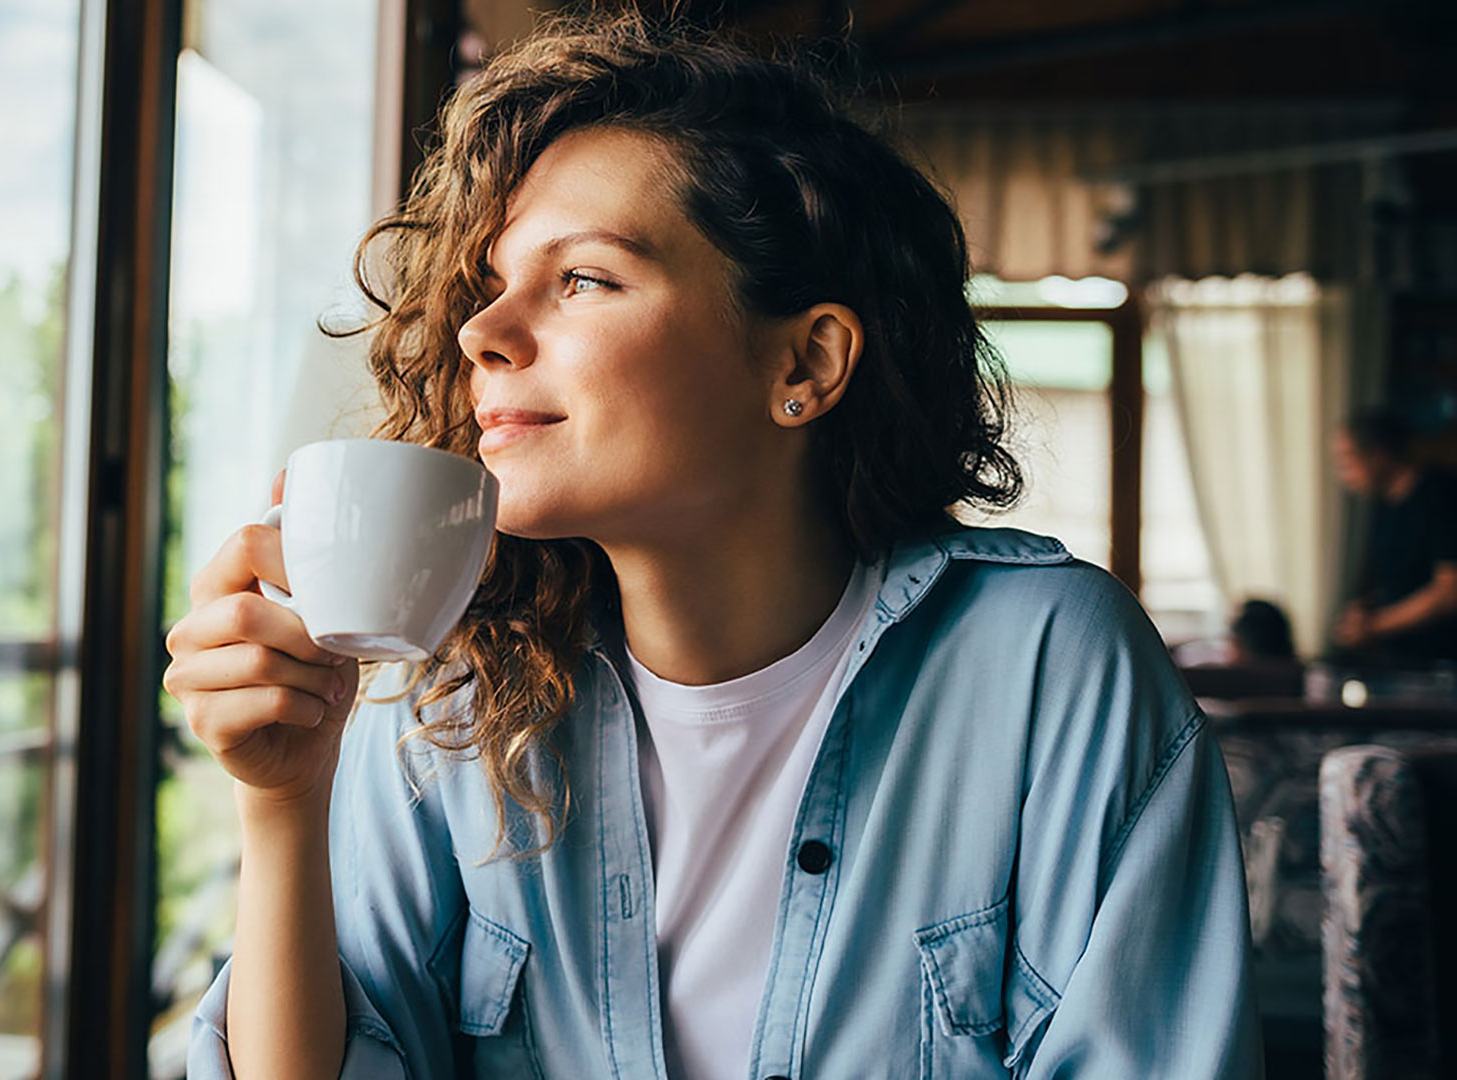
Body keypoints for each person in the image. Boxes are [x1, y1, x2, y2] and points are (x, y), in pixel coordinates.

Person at [163, 13, 1261, 1079]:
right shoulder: (454, 697)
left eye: (583, 278)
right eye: (492, 287)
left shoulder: (1048, 664)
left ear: (804, 365)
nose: (480, 334)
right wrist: (282, 805)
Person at [1331, 407, 1457, 666]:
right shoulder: (1384, 508)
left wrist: (1375, 626)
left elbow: (1450, 591)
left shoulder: (1441, 496)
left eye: (1347, 460)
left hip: (1441, 666)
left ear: (1377, 455)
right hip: (1403, 660)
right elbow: (1402, 582)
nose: (1344, 474)